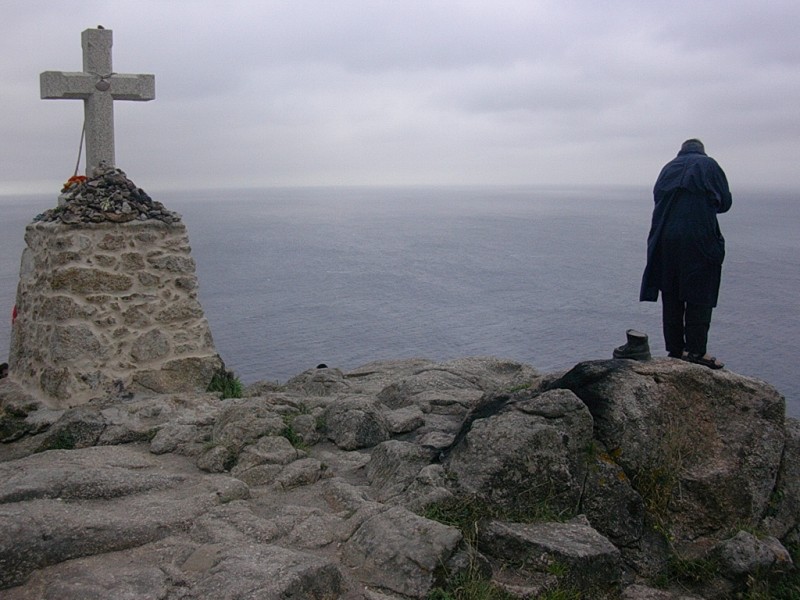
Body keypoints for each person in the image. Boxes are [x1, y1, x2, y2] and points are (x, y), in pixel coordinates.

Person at [640, 139, 732, 369]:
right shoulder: (709, 165)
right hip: (698, 237)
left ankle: (675, 349)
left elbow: (658, 199)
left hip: (665, 239)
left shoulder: (668, 168)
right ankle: (696, 351)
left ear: (680, 152)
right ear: (702, 151)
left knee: (671, 292)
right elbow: (725, 202)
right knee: (700, 293)